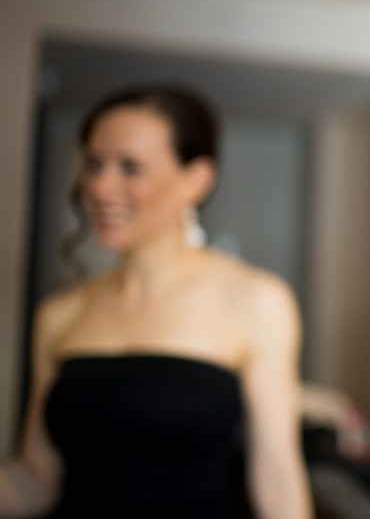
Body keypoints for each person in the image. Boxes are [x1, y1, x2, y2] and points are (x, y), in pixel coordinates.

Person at [0, 84, 312, 518]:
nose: (99, 185)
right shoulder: (59, 313)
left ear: (196, 179)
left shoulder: (257, 301)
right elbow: (36, 480)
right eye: (94, 163)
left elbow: (277, 483)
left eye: (130, 167)